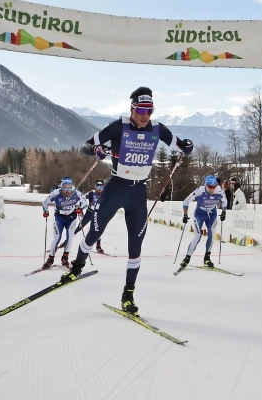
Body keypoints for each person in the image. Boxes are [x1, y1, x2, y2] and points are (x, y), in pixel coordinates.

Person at [59, 86, 194, 315]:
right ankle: (77, 268)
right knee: (94, 232)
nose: (144, 115)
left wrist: (187, 146)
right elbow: (86, 146)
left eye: (149, 110)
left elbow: (182, 146)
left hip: (138, 193)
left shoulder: (158, 129)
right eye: (141, 109)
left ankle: (128, 295)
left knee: (135, 246)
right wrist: (97, 149)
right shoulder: (118, 126)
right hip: (115, 188)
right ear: (132, 109)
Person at [179, 175, 228, 269]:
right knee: (197, 236)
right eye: (209, 187)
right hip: (200, 214)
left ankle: (207, 258)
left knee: (211, 235)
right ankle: (187, 258)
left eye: (213, 187)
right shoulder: (199, 191)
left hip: (212, 214)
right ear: (205, 185)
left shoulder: (220, 191)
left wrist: (224, 212)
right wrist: (185, 214)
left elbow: (225, 202)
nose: (211, 189)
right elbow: (186, 201)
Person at [41, 177, 89, 269]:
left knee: (70, 238)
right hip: (59, 218)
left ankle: (65, 258)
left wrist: (80, 209)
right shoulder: (55, 193)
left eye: (69, 188)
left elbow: (85, 203)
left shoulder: (76, 193)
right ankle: (50, 259)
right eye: (65, 188)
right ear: (61, 187)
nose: (67, 191)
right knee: (56, 239)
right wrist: (45, 211)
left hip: (71, 218)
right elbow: (45, 202)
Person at [59, 180, 106, 252]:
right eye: (98, 187)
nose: (100, 189)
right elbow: (82, 198)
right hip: (90, 213)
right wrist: (79, 208)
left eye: (101, 187)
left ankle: (98, 246)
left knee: (98, 229)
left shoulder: (105, 194)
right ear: (95, 187)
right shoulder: (92, 193)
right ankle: (66, 241)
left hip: (98, 214)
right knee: (79, 227)